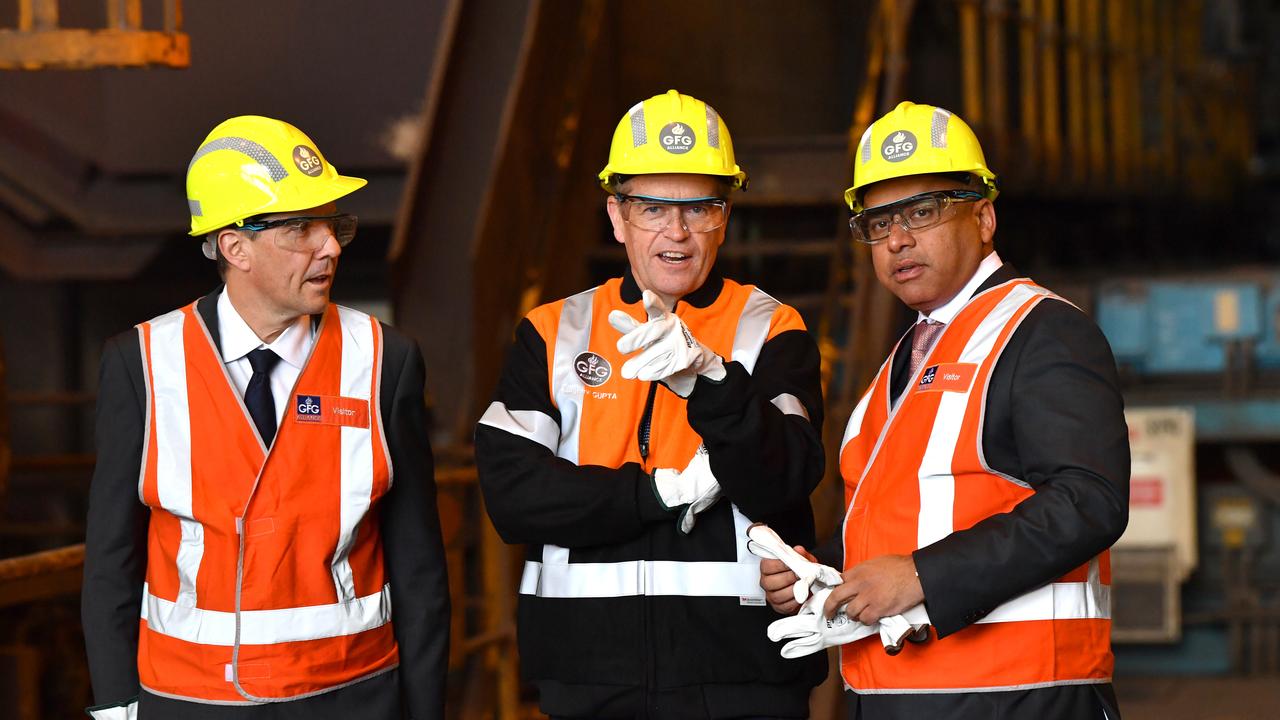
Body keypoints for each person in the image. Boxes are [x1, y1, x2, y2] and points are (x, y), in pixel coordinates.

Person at [760, 101, 1129, 719]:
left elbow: (1089, 501)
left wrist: (921, 577)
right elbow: (910, 518)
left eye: (921, 212)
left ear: (984, 218)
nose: (897, 239)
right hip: (894, 696)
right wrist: (826, 569)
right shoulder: (907, 356)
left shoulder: (1042, 331)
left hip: (1020, 697)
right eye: (878, 222)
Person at [81, 116, 449, 720]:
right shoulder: (142, 363)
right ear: (235, 247)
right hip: (190, 700)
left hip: (351, 694)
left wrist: (425, 708)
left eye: (333, 225)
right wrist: (116, 706)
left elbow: (418, 565)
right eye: (302, 228)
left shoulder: (386, 361)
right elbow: (111, 558)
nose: (329, 246)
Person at [475, 89, 827, 719]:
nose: (677, 231)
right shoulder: (554, 331)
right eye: (652, 207)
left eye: (700, 207)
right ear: (616, 216)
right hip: (588, 676)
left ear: (724, 216)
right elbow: (513, 494)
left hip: (741, 675)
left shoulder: (773, 328)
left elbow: (783, 480)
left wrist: (716, 382)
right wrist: (659, 495)